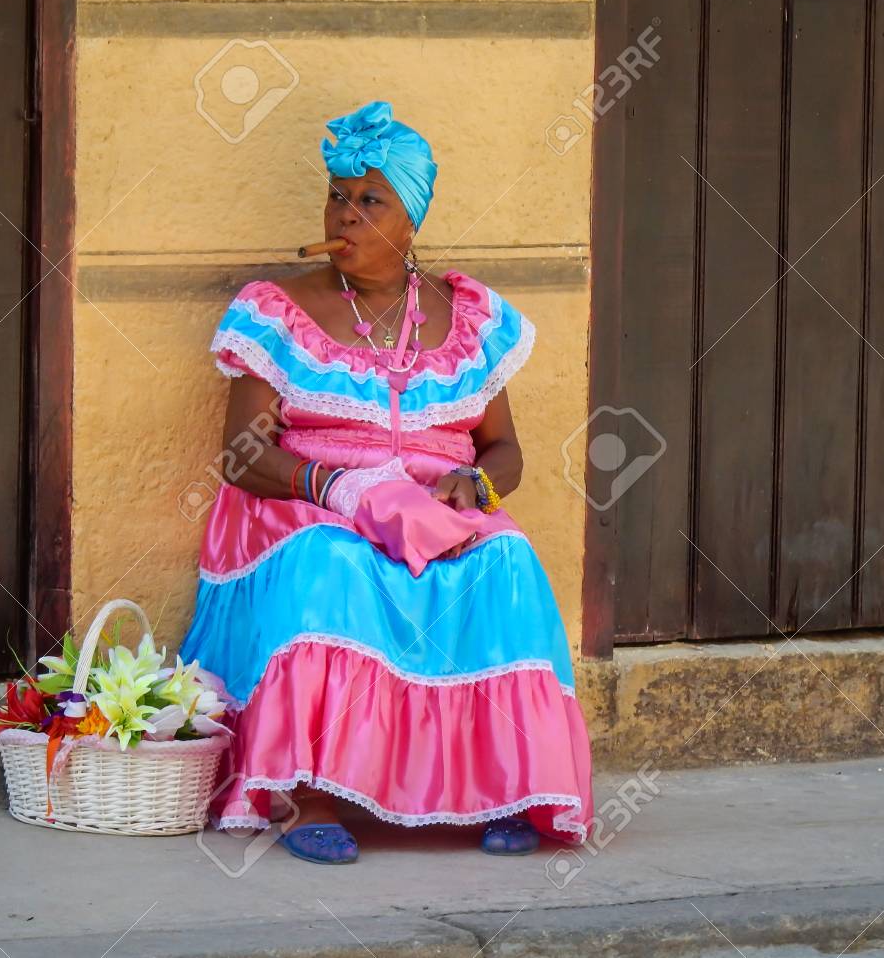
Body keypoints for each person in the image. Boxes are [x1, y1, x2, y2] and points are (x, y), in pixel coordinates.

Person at [178, 100, 594, 865]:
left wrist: (473, 486)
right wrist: (337, 488)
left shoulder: (469, 316)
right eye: (338, 196)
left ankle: (509, 790)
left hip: (435, 507)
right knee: (332, 563)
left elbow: (505, 450)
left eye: (372, 200)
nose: (346, 214)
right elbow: (241, 454)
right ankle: (308, 795)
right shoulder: (277, 309)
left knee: (506, 560)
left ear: (412, 220)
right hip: (306, 502)